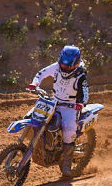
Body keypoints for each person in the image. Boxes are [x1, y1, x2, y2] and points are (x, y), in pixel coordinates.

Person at [27, 44, 89, 178]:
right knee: (34, 114)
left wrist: (81, 103)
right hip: (54, 100)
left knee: (68, 130)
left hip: (71, 106)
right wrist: (35, 83)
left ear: (77, 63)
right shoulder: (56, 66)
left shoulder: (81, 74)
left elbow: (84, 90)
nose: (65, 68)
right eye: (63, 66)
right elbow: (41, 73)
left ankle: (66, 164)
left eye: (69, 67)